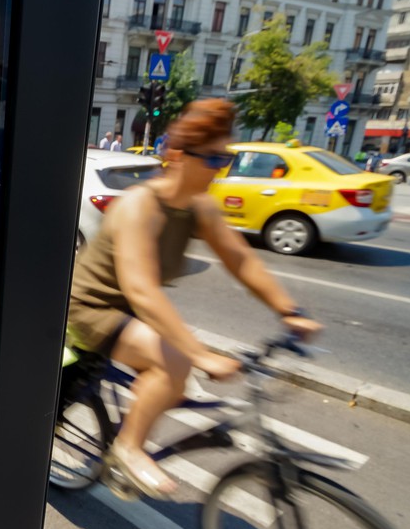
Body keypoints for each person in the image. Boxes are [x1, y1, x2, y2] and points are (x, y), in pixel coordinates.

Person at [67, 99, 323, 498]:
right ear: (177, 155)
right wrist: (199, 354)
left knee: (172, 373)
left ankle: (138, 416)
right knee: (175, 361)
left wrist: (289, 311)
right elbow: (142, 289)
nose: (220, 168)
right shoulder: (141, 205)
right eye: (212, 158)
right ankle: (128, 449)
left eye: (225, 158)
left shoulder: (199, 206)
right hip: (91, 306)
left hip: (129, 310)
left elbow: (240, 260)